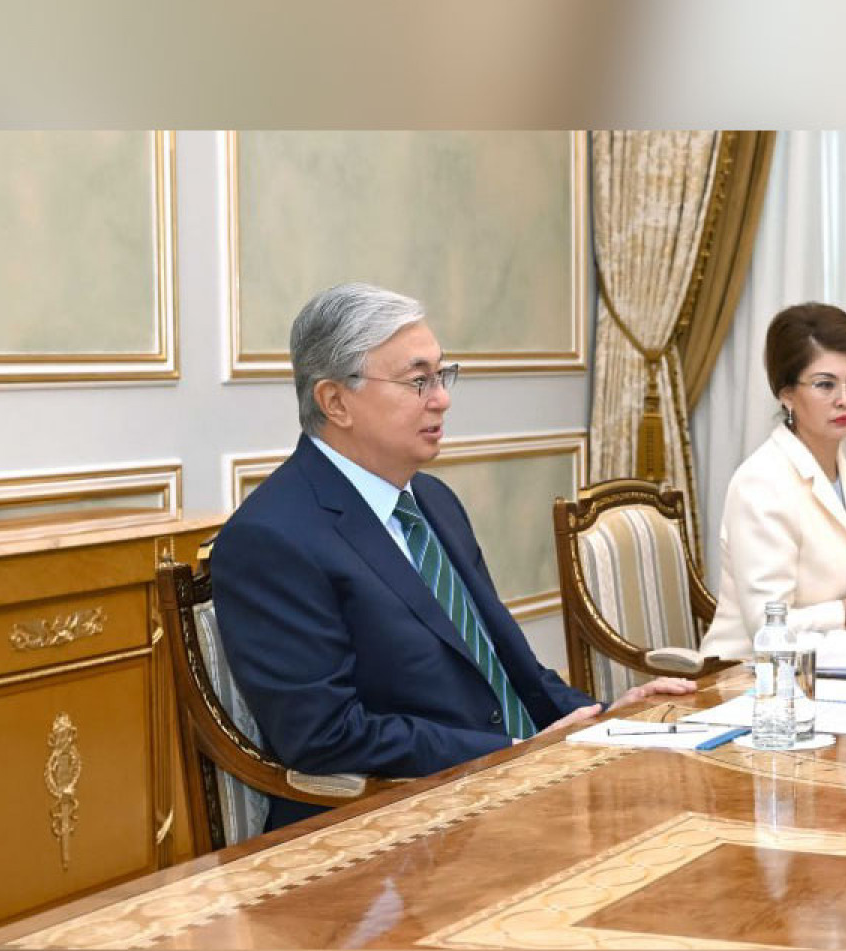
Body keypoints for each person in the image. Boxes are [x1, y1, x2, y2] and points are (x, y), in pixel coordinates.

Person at [213, 283, 693, 830]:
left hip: (512, 789)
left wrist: (604, 718)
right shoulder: (272, 538)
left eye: (442, 376)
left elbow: (508, 668)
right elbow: (325, 735)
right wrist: (511, 753)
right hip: (396, 826)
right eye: (418, 381)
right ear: (335, 402)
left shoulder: (432, 499)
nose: (441, 399)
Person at [699, 303, 846, 659]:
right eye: (825, 385)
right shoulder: (761, 482)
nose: (845, 399)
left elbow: (839, 593)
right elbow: (768, 629)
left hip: (834, 664)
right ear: (787, 395)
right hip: (747, 677)